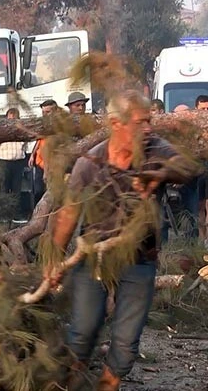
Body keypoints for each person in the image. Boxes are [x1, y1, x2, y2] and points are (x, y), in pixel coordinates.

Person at [49, 90, 196, 390]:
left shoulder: (155, 149)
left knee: (126, 346)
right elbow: (68, 215)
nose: (149, 128)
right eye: (141, 122)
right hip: (93, 257)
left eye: (150, 121)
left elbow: (189, 167)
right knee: (81, 334)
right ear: (117, 123)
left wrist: (161, 173)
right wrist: (54, 260)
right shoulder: (90, 164)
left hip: (140, 259)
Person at [0, 108, 29, 222]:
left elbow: (26, 148)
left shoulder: (22, 132)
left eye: (14, 118)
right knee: (4, 189)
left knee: (16, 190)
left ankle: (16, 215)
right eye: (10, 118)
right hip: (4, 162)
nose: (12, 120)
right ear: (6, 118)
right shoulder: (0, 132)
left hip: (18, 163)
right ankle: (4, 215)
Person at [29, 100, 58, 206]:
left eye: (48, 112)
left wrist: (46, 171)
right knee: (37, 192)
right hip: (39, 163)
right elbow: (39, 140)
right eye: (43, 112)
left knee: (50, 194)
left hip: (51, 165)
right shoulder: (43, 124)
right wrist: (32, 154)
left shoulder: (58, 126)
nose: (45, 115)